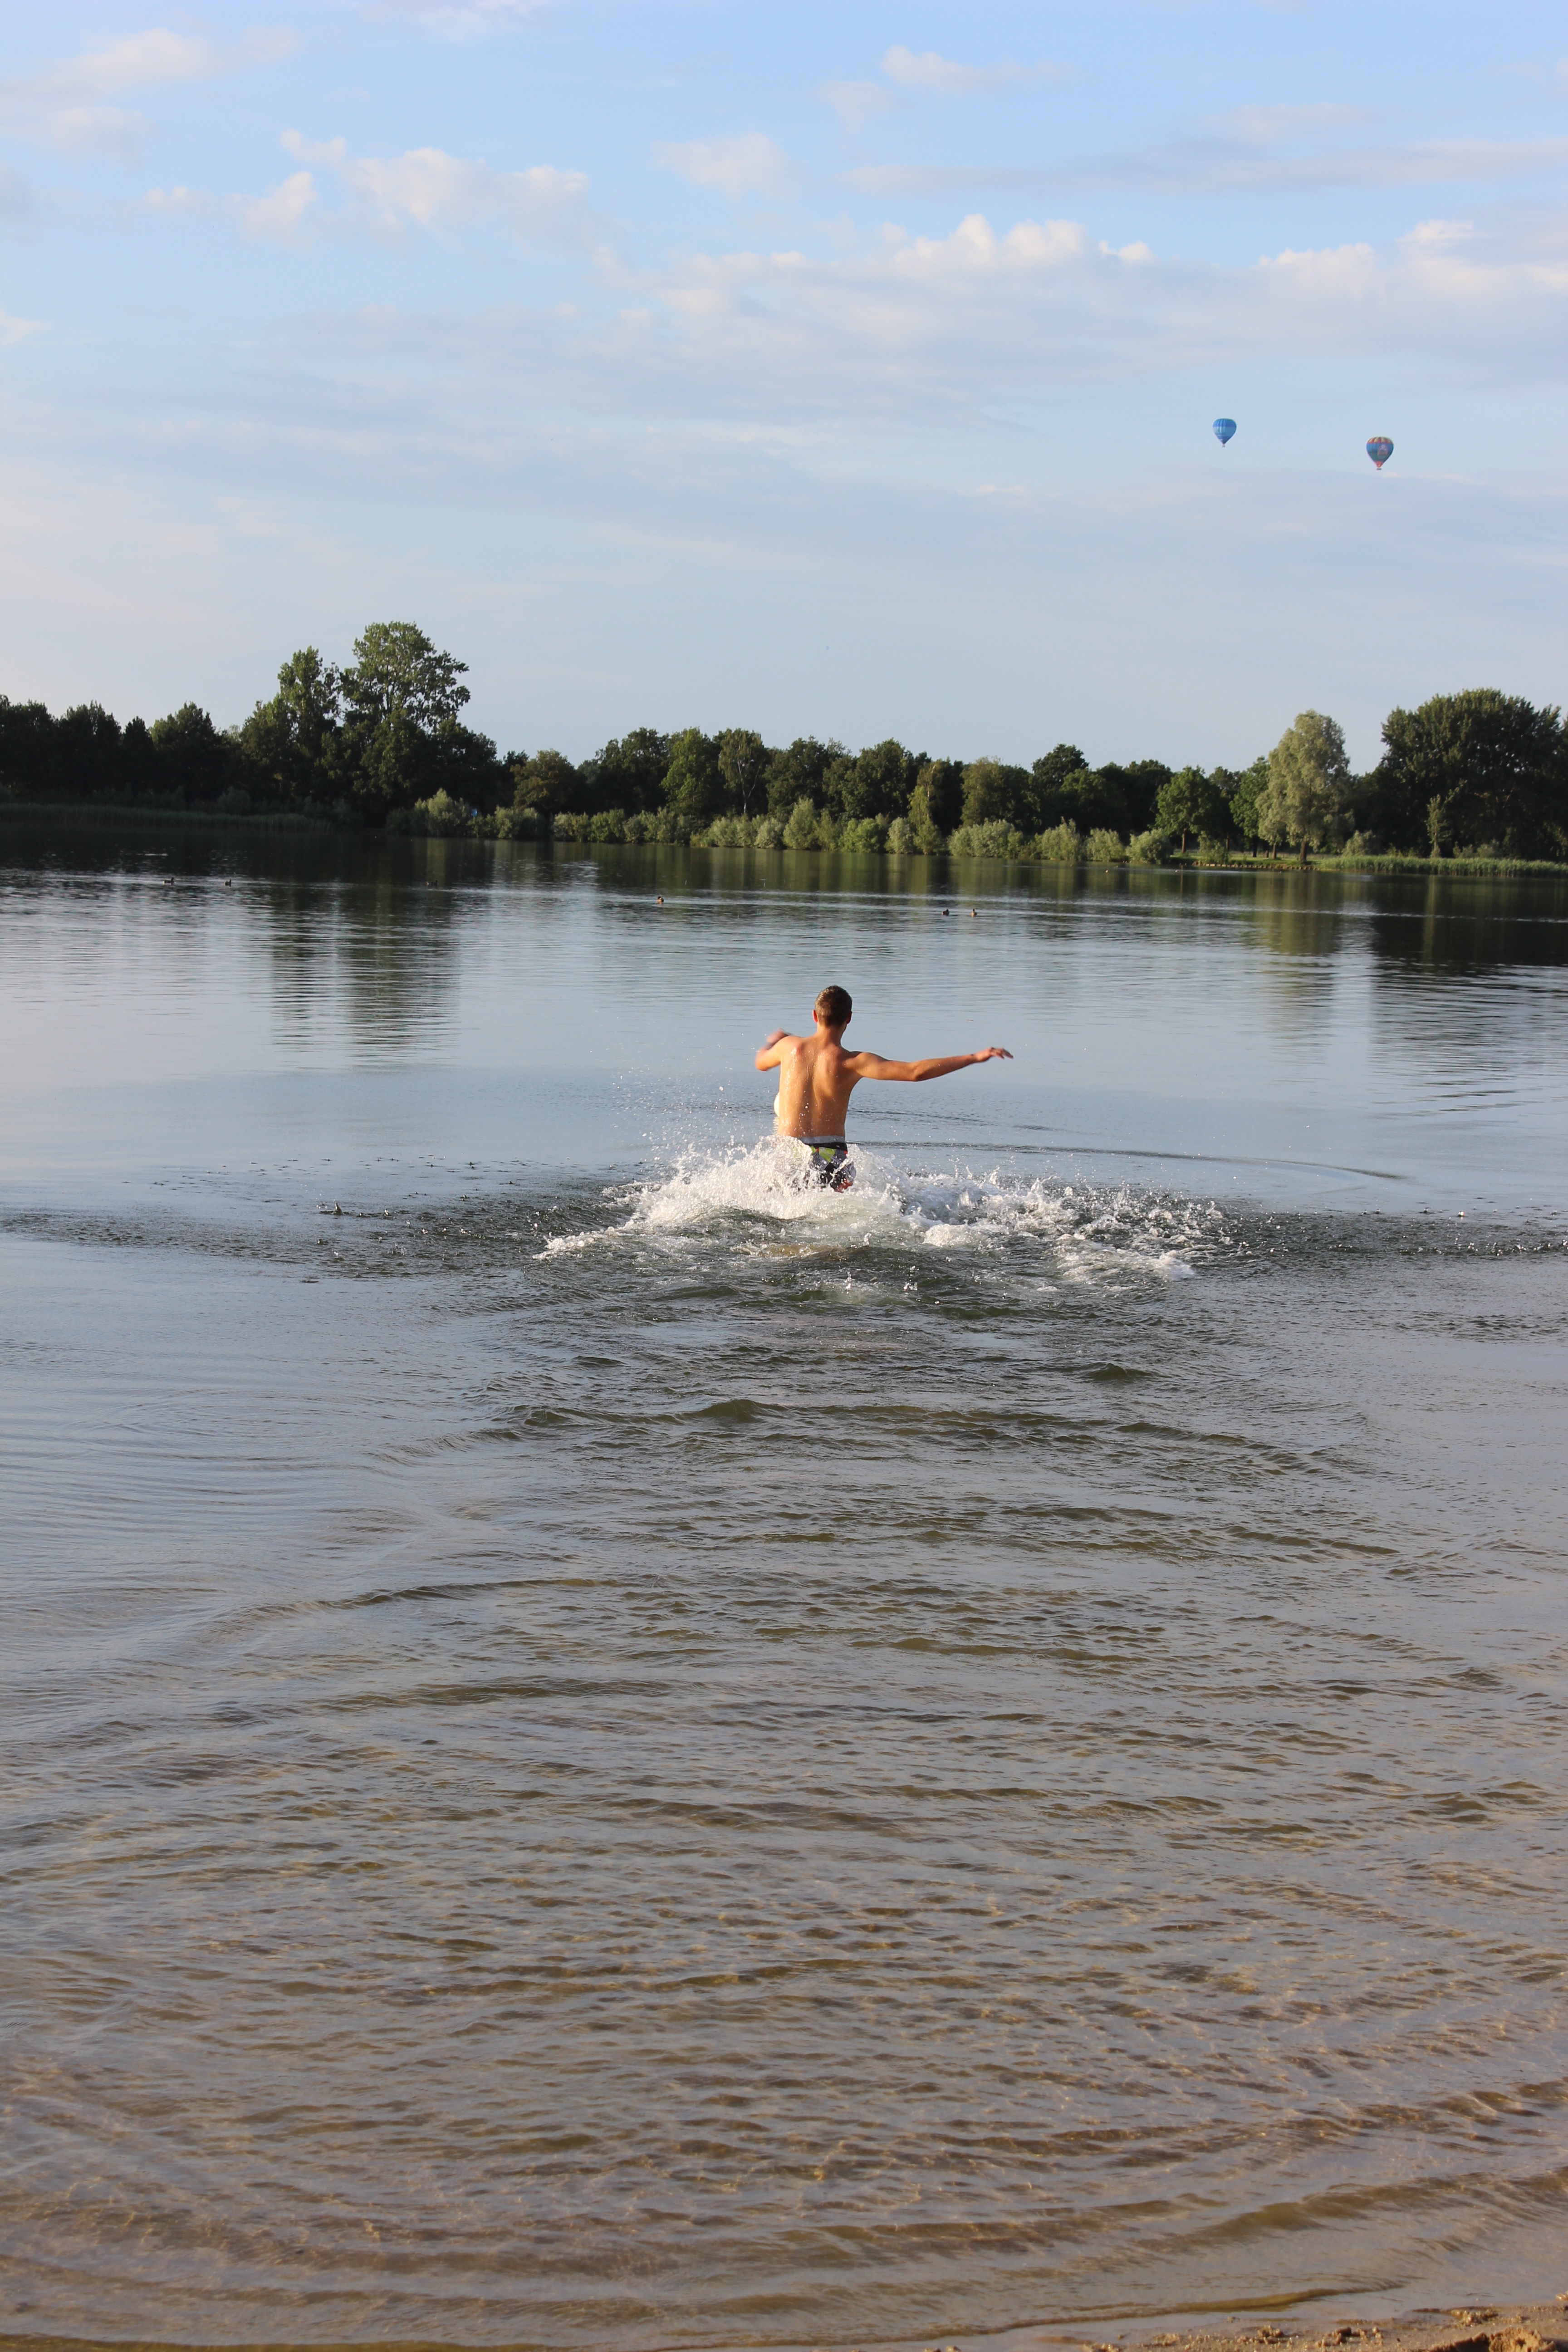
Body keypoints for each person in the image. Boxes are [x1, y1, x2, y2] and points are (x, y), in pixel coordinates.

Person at [755, 984, 1012, 1190]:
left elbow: (761, 1063)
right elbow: (915, 1072)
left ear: (815, 1016)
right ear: (849, 1019)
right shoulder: (853, 1062)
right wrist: (975, 1057)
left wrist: (775, 1041)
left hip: (787, 1153)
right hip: (831, 1155)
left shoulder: (788, 1048)